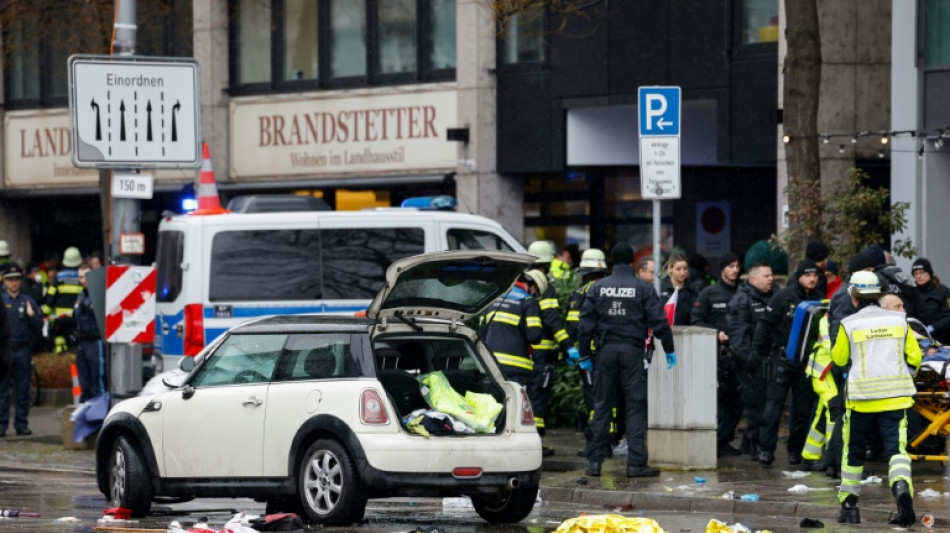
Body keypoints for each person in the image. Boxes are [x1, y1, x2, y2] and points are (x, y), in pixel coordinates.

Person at [578, 242, 675, 478]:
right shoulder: (643, 288)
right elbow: (659, 321)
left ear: (611, 261)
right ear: (632, 261)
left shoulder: (598, 288)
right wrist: (669, 348)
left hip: (605, 352)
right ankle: (636, 464)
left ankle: (595, 463)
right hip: (632, 351)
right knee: (635, 406)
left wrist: (584, 355)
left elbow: (585, 324)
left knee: (602, 405)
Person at [832, 271, 919, 527]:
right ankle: (901, 490)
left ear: (854, 296)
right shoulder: (899, 320)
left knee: (853, 453)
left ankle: (850, 507)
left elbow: (838, 359)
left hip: (861, 399)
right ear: (879, 294)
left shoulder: (848, 324)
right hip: (895, 399)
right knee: (896, 451)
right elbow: (915, 357)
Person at [751, 259, 822, 465]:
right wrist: (758, 353)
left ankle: (795, 450)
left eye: (815, 275)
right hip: (781, 359)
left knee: (802, 409)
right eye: (807, 275)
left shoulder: (819, 299)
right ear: (799, 276)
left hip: (805, 362)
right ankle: (766, 449)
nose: (812, 279)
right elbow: (765, 326)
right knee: (773, 407)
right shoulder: (783, 297)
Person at [691, 252, 742, 456]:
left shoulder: (743, 292)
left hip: (739, 355)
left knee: (737, 402)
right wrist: (715, 333)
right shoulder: (709, 293)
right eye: (730, 266)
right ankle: (716, 442)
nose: (735, 270)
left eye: (737, 266)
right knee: (718, 401)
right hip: (715, 356)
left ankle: (725, 439)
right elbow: (696, 320)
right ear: (722, 269)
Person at [526, 242, 573, 450]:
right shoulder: (545, 286)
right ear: (546, 264)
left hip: (524, 353)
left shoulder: (522, 284)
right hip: (542, 354)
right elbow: (552, 320)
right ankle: (536, 444)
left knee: (527, 396)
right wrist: (568, 346)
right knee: (539, 397)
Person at [727, 262, 775, 457]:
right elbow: (738, 333)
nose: (771, 279)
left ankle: (751, 441)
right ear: (754, 279)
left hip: (771, 359)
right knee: (755, 406)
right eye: (766, 276)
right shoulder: (742, 300)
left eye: (771, 275)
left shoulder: (774, 296)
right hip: (751, 362)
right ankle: (754, 444)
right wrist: (749, 359)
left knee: (767, 405)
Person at [565, 249, 609, 453]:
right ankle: (610, 440)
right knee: (609, 397)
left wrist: (571, 348)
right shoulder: (610, 288)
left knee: (593, 399)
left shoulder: (583, 292)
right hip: (610, 351)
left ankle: (597, 444)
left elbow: (575, 325)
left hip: (590, 354)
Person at [479, 271, 544, 389]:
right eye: (537, 293)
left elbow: (481, 333)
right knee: (514, 400)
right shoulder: (529, 301)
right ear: (533, 286)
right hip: (516, 368)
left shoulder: (494, 298)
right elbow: (534, 336)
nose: (535, 295)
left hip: (490, 365)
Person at [0, 264, 42, 436]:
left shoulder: (28, 301)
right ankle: (1, 425)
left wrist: (32, 316)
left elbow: (39, 327)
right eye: (10, 280)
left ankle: (21, 424)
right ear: (4, 281)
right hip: (4, 351)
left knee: (22, 390)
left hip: (23, 350)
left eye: (16, 279)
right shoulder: (1, 301)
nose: (14, 283)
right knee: (2, 390)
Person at [865, 244, 926, 321]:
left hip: (885, 324)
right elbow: (921, 308)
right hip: (909, 322)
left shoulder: (872, 280)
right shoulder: (904, 277)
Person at [74, 265, 105, 402]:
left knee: (97, 379)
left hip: (95, 341)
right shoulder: (81, 295)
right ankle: (87, 410)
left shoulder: (99, 294)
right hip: (82, 342)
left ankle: (101, 410)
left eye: (86, 276)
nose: (83, 280)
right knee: (84, 382)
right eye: (81, 277)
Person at [45, 246, 83, 354]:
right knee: (74, 339)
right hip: (76, 315)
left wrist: (45, 313)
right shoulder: (82, 277)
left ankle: (60, 351)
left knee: (60, 335)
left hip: (60, 316)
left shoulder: (59, 277)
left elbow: (51, 296)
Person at [910, 258, 950, 344]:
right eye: (915, 274)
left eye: (921, 272)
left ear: (929, 273)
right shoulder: (913, 293)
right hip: (921, 339)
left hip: (943, 339)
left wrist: (933, 327)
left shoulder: (944, 291)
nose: (918, 276)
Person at [659, 253, 697, 326]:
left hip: (687, 330)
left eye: (685, 269)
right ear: (670, 269)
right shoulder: (661, 288)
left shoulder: (693, 289)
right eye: (678, 269)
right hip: (665, 329)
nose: (682, 273)